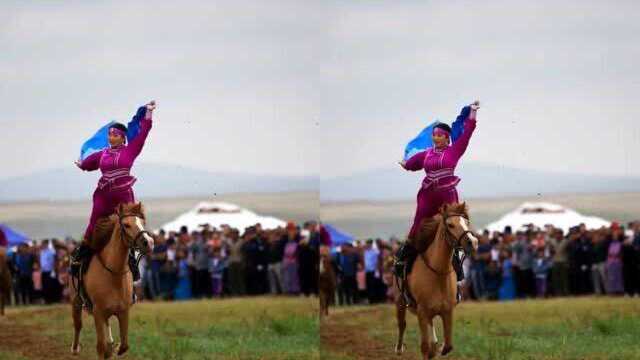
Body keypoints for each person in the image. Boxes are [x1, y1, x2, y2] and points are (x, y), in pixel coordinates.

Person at [395, 101, 480, 302]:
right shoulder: (427, 154)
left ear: (447, 137)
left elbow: (467, 133)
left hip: (448, 196)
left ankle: (457, 275)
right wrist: (406, 164)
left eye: (440, 135)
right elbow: (413, 164)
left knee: (457, 230)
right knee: (416, 229)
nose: (436, 138)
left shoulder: (455, 150)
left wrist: (473, 114)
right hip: (427, 195)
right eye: (434, 135)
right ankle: (403, 262)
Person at [70, 101, 157, 282]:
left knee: (133, 224)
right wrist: (82, 165)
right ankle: (82, 257)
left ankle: (132, 260)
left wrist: (148, 113)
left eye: (115, 134)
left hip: (124, 195)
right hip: (103, 195)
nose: (111, 137)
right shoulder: (103, 153)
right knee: (93, 224)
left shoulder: (131, 150)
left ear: (123, 137)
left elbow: (144, 132)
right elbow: (89, 163)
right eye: (110, 134)